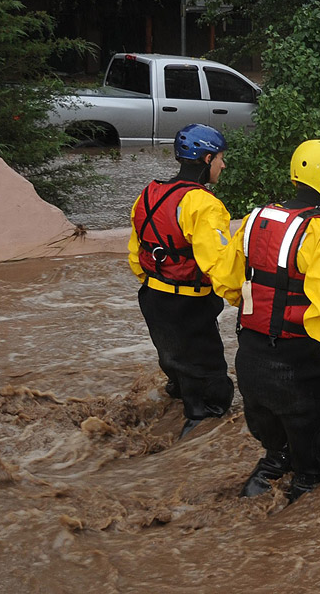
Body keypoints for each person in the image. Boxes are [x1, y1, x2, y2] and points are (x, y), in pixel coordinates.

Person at [233, 139, 320, 503]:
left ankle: (268, 475)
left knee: (277, 448)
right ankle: (303, 507)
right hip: (300, 367)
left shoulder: (255, 219)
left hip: (251, 360)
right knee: (318, 464)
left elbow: (227, 281)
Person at [128, 123, 243, 439]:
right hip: (188, 304)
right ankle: (197, 431)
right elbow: (217, 264)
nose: (223, 164)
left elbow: (135, 254)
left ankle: (178, 403)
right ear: (206, 160)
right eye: (220, 158)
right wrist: (243, 299)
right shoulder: (205, 205)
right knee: (211, 386)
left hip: (152, 296)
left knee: (175, 362)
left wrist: (157, 282)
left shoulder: (148, 194)